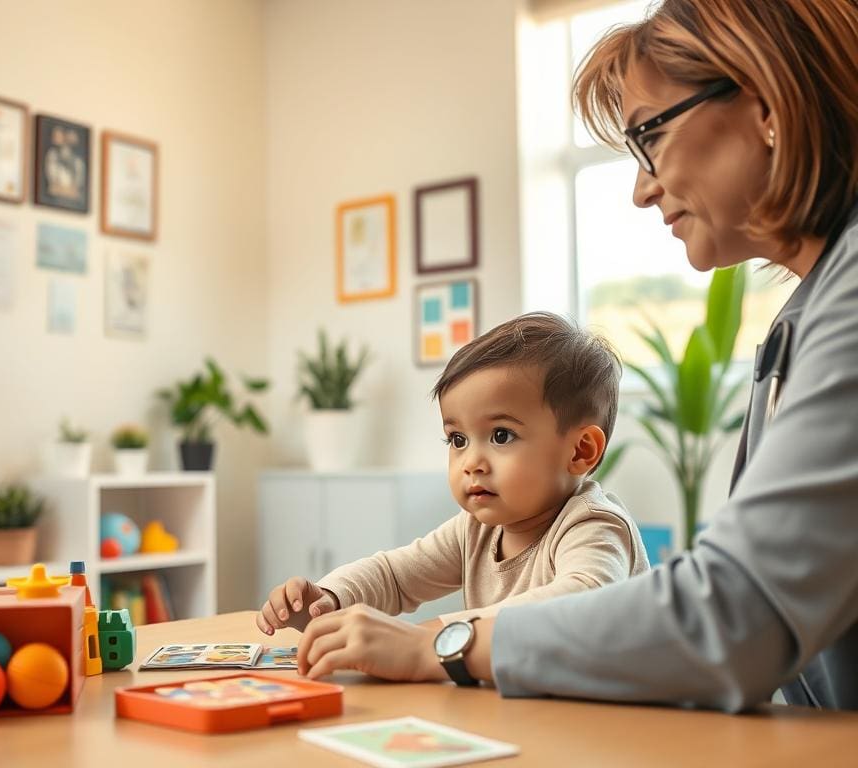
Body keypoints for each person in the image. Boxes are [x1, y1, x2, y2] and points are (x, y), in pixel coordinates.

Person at [294, 0, 858, 712]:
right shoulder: (812, 312)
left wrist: (442, 644)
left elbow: (735, 614)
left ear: (768, 103)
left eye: (650, 137)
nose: (641, 187)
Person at [257, 313, 649, 653]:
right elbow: (394, 576)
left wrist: (441, 636)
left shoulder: (593, 525)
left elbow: (581, 601)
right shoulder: (477, 530)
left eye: (501, 436)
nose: (471, 463)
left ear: (581, 451)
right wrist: (329, 597)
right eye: (457, 440)